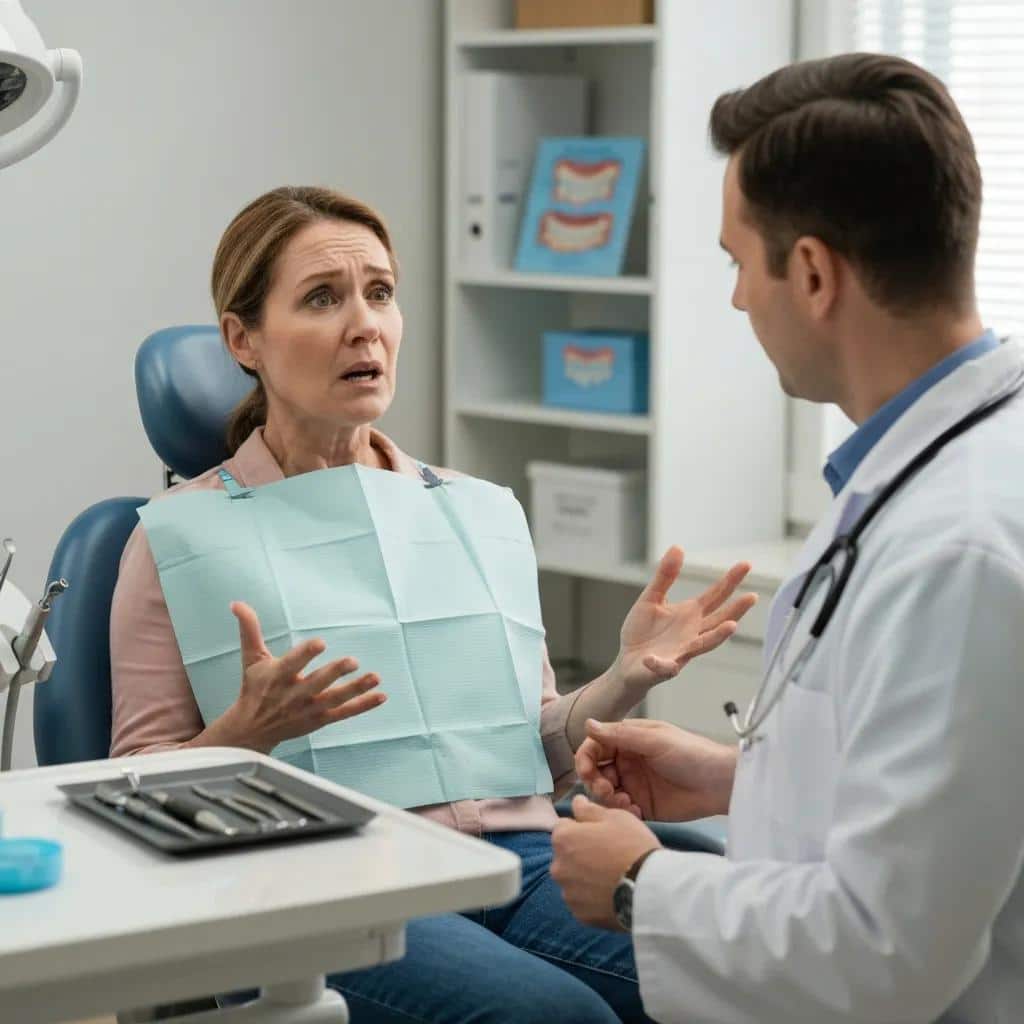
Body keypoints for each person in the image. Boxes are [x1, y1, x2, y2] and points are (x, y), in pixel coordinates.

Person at [109, 186, 758, 1024]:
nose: (364, 325)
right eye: (321, 298)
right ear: (244, 340)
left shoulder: (476, 510)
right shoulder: (177, 536)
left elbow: (534, 753)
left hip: (520, 858)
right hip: (327, 877)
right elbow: (123, 791)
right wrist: (247, 734)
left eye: (379, 293)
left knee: (738, 973)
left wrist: (626, 679)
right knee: (560, 1019)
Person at [550, 52, 1024, 1024]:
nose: (734, 299)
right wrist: (737, 776)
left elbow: (889, 950)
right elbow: (962, 791)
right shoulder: (939, 463)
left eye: (736, 261)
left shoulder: (959, 544)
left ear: (810, 272)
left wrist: (643, 884)